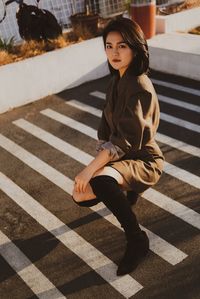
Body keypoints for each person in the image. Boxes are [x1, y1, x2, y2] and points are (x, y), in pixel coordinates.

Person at [72, 17, 164, 276]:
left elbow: (124, 140)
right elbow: (106, 128)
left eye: (122, 46)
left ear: (135, 48)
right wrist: (100, 161)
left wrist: (90, 170)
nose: (114, 52)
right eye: (109, 45)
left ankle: (137, 241)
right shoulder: (115, 81)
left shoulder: (139, 86)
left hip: (145, 160)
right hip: (124, 156)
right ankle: (130, 189)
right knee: (80, 196)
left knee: (98, 182)